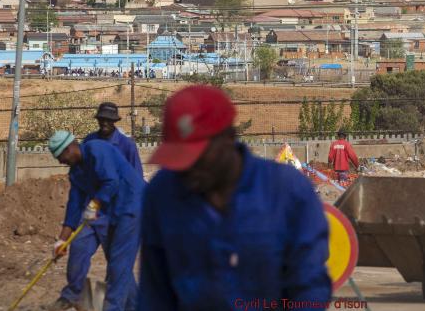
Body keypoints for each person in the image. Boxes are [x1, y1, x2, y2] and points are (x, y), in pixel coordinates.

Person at [138, 85, 331, 310]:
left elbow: (309, 286)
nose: (188, 167)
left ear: (229, 137)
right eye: (180, 157)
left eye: (197, 156)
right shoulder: (161, 194)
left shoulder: (287, 191)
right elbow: (154, 293)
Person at [52, 103, 143, 310]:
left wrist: (94, 203)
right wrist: (61, 240)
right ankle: (73, 294)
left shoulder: (99, 148)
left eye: (61, 157)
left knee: (118, 264)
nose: (61, 162)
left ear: (70, 148)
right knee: (80, 244)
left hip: (130, 208)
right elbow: (74, 205)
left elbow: (112, 181)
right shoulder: (76, 170)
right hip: (104, 209)